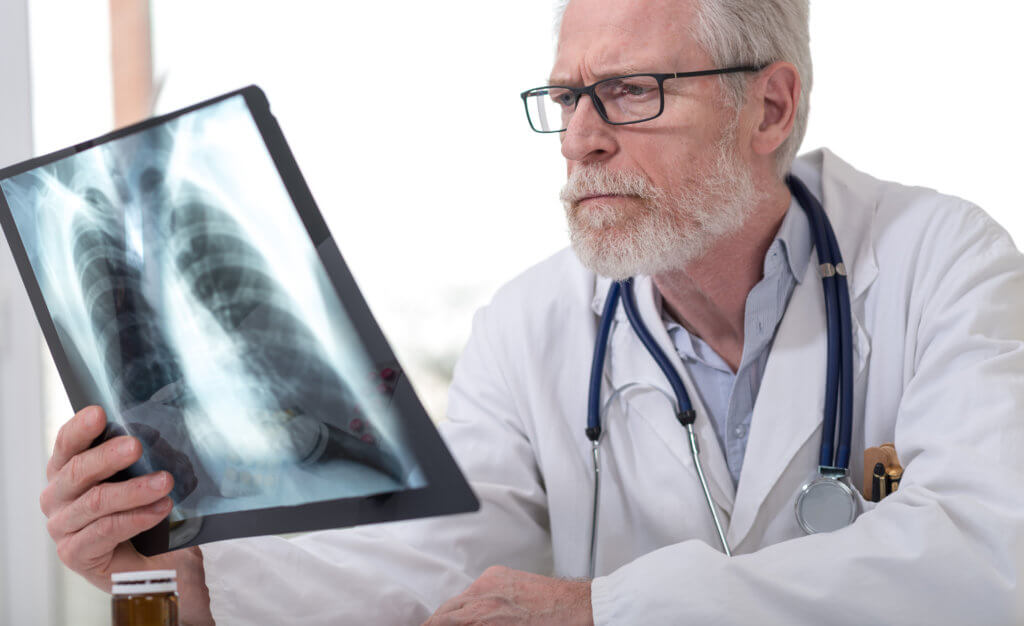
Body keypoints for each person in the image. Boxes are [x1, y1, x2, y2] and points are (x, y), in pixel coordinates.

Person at [39, 0, 1024, 623]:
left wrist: (610, 610)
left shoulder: (939, 259)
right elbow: (437, 559)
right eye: (565, 99)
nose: (579, 140)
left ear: (769, 109)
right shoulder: (533, 324)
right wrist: (181, 572)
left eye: (630, 93)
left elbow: (991, 554)